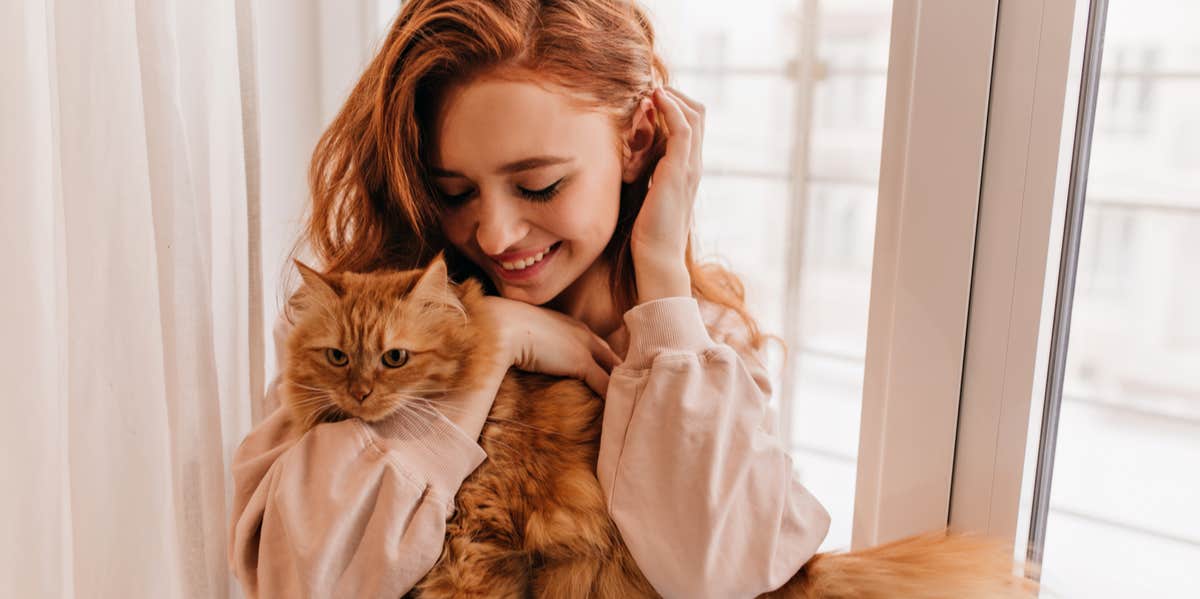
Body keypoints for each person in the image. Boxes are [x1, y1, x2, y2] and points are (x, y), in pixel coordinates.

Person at [227, 0, 830, 597]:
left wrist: (662, 267)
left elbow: (717, 575)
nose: (495, 234)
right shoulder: (356, 321)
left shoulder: (704, 345)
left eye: (539, 186)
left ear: (638, 140)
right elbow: (298, 581)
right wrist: (490, 339)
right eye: (457, 193)